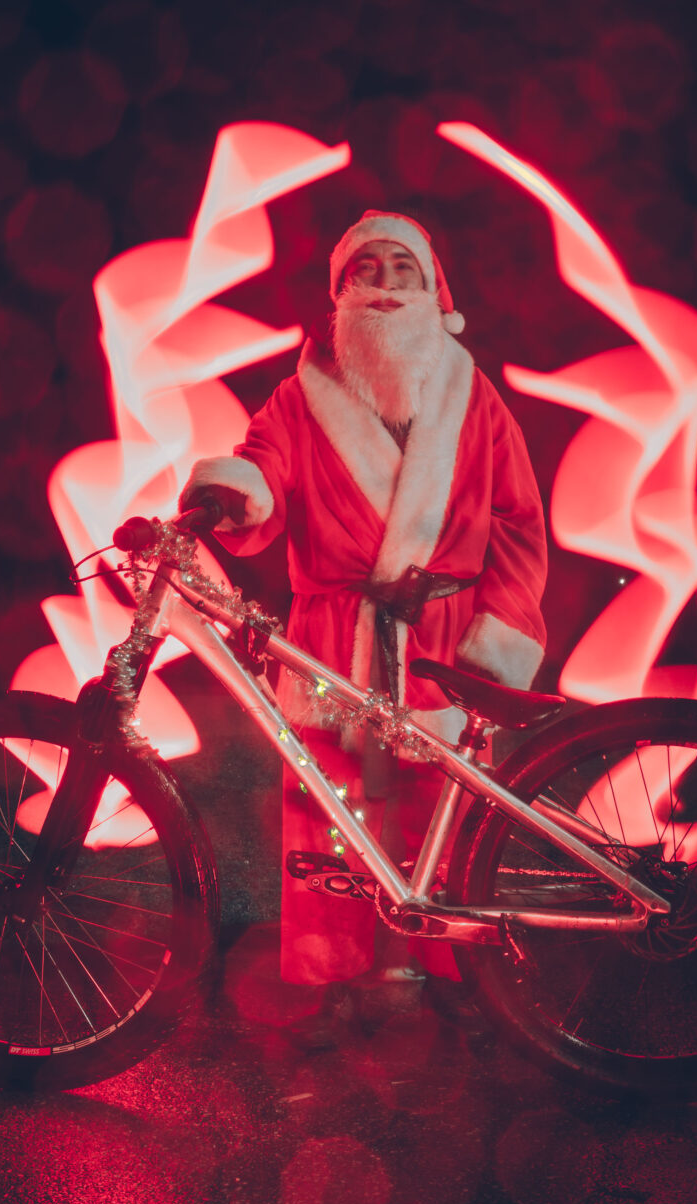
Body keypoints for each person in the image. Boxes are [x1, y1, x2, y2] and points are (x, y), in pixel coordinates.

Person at [181, 210, 549, 987]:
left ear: (433, 288)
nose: (385, 287)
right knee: (330, 814)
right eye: (366, 270)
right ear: (340, 292)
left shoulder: (474, 398)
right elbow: (263, 468)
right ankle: (331, 975)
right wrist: (233, 492)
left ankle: (454, 971)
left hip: (442, 634)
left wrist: (503, 629)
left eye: (402, 269)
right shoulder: (299, 398)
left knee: (442, 812)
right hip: (332, 638)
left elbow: (518, 520)